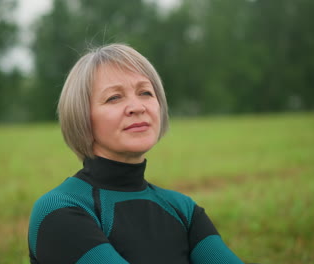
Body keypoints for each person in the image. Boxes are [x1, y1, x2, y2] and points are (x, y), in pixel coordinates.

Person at [28, 43, 244, 264]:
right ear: (81, 115)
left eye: (145, 92)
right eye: (114, 97)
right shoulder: (60, 210)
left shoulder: (184, 210)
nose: (137, 107)